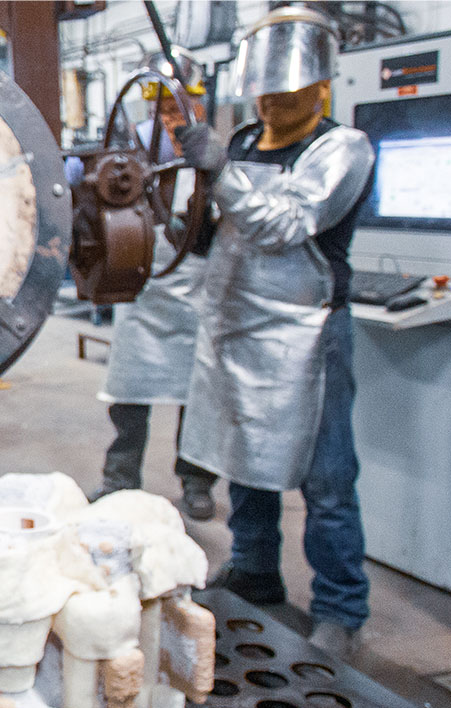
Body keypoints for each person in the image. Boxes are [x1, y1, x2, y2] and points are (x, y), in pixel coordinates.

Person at [176, 6, 376, 658]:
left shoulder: (343, 149)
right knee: (247, 461)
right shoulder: (241, 144)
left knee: (326, 479)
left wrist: (220, 172)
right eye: (262, 90)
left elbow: (281, 226)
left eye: (284, 91)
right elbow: (215, 233)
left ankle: (341, 607)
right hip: (236, 325)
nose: (269, 102)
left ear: (319, 86)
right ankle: (255, 571)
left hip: (305, 333)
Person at [92, 50, 219, 521]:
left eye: (180, 107)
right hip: (144, 291)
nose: (172, 118)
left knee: (198, 395)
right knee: (128, 395)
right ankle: (119, 479)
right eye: (163, 109)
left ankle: (196, 480)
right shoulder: (135, 151)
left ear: (199, 105)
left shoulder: (212, 152)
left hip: (196, 293)